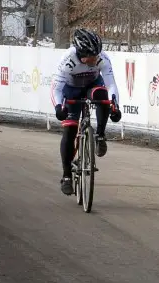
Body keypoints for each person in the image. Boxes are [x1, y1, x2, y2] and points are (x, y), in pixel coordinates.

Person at [51, 28, 122, 196]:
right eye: (92, 56)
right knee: (69, 130)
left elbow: (111, 84)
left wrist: (115, 106)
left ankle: (100, 135)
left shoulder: (102, 58)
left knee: (102, 95)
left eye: (98, 54)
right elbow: (56, 88)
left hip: (92, 85)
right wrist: (58, 107)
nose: (96, 58)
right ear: (82, 53)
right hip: (71, 89)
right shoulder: (68, 60)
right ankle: (67, 175)